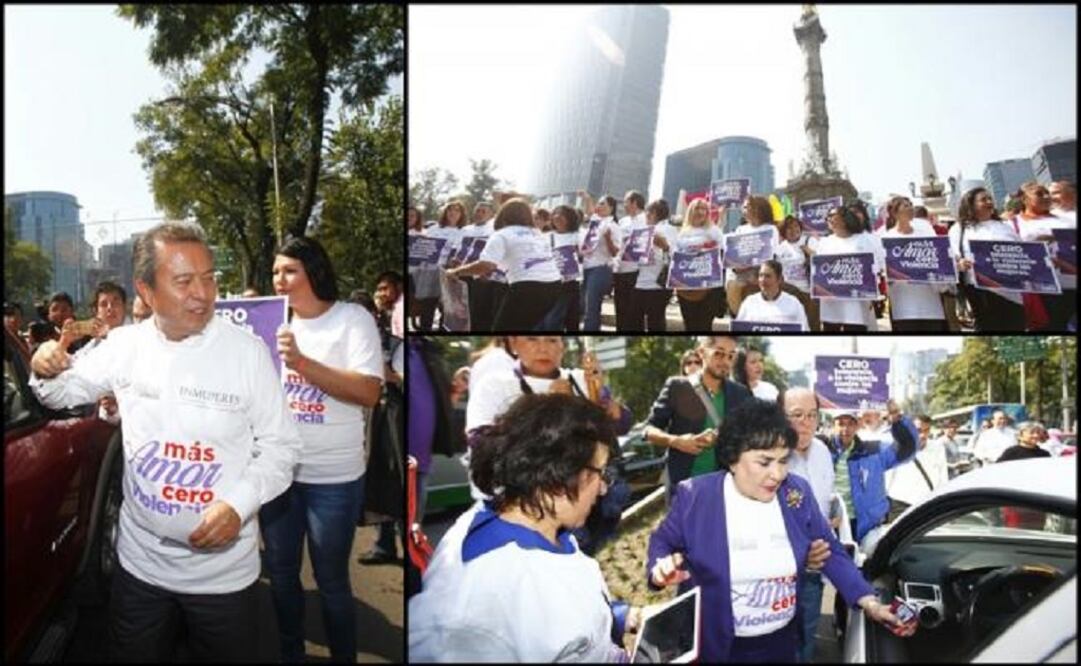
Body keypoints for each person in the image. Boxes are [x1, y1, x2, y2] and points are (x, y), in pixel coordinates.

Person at [29, 221, 302, 662]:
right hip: (140, 571)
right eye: (184, 281)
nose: (202, 293)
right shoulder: (124, 346)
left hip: (224, 580)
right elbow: (58, 393)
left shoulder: (247, 353)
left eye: (209, 278)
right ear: (147, 290)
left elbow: (282, 447)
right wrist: (42, 367)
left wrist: (239, 504)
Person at [646, 400, 916, 663]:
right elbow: (662, 543)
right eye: (764, 462)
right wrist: (660, 569)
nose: (777, 474)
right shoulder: (696, 496)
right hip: (717, 647)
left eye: (783, 460)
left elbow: (830, 550)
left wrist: (869, 601)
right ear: (732, 459)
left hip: (781, 643)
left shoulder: (795, 492)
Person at [410, 393, 641, 662]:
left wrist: (622, 616)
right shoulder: (480, 604)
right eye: (600, 473)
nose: (603, 488)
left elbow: (562, 618)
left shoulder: (545, 529)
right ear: (557, 475)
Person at [265, 235, 385, 662]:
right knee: (281, 576)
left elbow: (369, 391)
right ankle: (291, 652)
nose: (280, 279)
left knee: (332, 581)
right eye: (276, 271)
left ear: (314, 270)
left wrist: (301, 363)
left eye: (290, 270)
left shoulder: (352, 319)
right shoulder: (270, 324)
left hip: (333, 477)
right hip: (277, 475)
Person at [643, 336, 753, 496]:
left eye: (731, 356)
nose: (725, 361)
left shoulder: (741, 393)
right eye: (719, 354)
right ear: (702, 352)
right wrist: (676, 441)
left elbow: (751, 436)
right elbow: (648, 429)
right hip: (684, 487)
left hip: (725, 488)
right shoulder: (677, 387)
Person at [780, 388, 837, 663]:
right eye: (797, 415)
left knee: (807, 637)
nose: (805, 422)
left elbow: (826, 499)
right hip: (779, 575)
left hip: (815, 569)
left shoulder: (824, 452)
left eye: (812, 415)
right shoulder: (766, 458)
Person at [446, 198, 563, 330]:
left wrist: (455, 272)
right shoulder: (537, 234)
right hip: (554, 286)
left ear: (503, 215)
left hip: (527, 287)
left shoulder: (501, 235)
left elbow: (486, 265)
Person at [949, 188, 1026, 331]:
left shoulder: (1005, 226)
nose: (989, 202)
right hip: (979, 291)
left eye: (990, 198)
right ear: (970, 204)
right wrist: (959, 264)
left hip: (1010, 291)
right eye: (983, 200)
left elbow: (1022, 252)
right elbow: (953, 257)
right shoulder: (959, 229)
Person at [1010, 181, 1076, 331]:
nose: (1047, 197)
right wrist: (1036, 245)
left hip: (1073, 283)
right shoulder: (1012, 224)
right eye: (1039, 194)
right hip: (1044, 290)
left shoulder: (1067, 219)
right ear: (1024, 199)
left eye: (1047, 193)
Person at [881, 196, 950, 331]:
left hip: (930, 302)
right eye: (905, 206)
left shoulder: (926, 233)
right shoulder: (885, 239)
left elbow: (940, 259)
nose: (910, 208)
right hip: (904, 304)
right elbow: (882, 270)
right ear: (894, 213)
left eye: (910, 205)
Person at [813, 206, 885, 331]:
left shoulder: (863, 240)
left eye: (832, 215)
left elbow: (874, 271)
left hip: (856, 304)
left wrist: (873, 296)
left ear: (845, 218)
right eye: (827, 216)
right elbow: (819, 272)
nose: (828, 219)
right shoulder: (824, 243)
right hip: (831, 304)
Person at [672, 198, 725, 330]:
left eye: (704, 209)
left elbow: (722, 254)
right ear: (690, 211)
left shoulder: (714, 231)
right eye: (697, 208)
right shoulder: (682, 233)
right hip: (685, 288)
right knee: (689, 325)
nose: (700, 212)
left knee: (704, 326)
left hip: (707, 289)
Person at [414, 200, 467, 331]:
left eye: (457, 210)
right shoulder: (432, 229)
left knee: (447, 307)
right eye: (450, 209)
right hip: (429, 271)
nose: (453, 213)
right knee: (427, 306)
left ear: (461, 214)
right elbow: (421, 248)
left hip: (450, 272)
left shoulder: (465, 231)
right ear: (445, 212)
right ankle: (424, 330)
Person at [884, 414, 948, 520]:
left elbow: (943, 477)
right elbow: (886, 477)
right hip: (899, 505)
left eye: (926, 430)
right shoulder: (897, 448)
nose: (923, 435)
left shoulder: (938, 448)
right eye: (918, 430)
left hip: (927, 505)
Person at [725, 196, 781, 316]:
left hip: (761, 270)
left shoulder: (771, 229)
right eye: (744, 207)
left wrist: (756, 273)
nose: (745, 210)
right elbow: (734, 254)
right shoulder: (740, 229)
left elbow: (771, 256)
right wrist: (736, 267)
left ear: (759, 209)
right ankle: (740, 318)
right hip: (739, 272)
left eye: (748, 207)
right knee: (732, 284)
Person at [629, 198, 677, 332]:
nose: (646, 215)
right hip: (640, 282)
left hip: (658, 285)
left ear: (655, 213)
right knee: (633, 322)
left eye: (649, 212)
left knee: (655, 322)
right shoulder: (642, 231)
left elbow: (676, 257)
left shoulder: (669, 230)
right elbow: (634, 258)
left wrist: (665, 246)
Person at [577, 190, 622, 331]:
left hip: (600, 269)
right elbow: (591, 211)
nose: (599, 206)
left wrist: (608, 238)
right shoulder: (595, 223)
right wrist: (587, 198)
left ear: (611, 208)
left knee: (591, 308)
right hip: (587, 268)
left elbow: (615, 252)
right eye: (599, 203)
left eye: (603, 204)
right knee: (583, 306)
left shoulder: (613, 226)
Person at [457, 201, 501, 332]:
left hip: (482, 276)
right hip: (462, 274)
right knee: (461, 308)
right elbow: (457, 250)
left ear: (491, 215)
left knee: (479, 309)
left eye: (484, 211)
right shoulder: (465, 230)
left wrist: (488, 272)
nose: (480, 214)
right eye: (478, 211)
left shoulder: (495, 230)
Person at [540, 205, 584, 331]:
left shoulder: (578, 235)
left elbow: (585, 255)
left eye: (562, 214)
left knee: (572, 320)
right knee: (552, 320)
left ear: (570, 218)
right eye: (555, 213)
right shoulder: (546, 237)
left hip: (571, 282)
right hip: (551, 282)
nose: (557, 217)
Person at [735, 260, 811, 331]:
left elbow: (804, 329)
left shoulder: (794, 303)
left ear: (779, 279)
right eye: (761, 275)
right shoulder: (749, 302)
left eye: (768, 276)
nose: (763, 280)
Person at [775, 215, 820, 330]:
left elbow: (821, 261)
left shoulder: (809, 241)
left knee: (812, 326)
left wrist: (807, 250)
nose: (793, 230)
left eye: (796, 226)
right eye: (789, 228)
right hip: (788, 293)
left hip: (809, 293)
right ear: (784, 232)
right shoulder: (780, 248)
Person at [613, 190, 647, 330]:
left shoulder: (647, 219)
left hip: (636, 271)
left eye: (626, 202)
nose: (624, 205)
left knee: (634, 312)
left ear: (634, 203)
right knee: (620, 309)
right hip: (619, 270)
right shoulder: (622, 221)